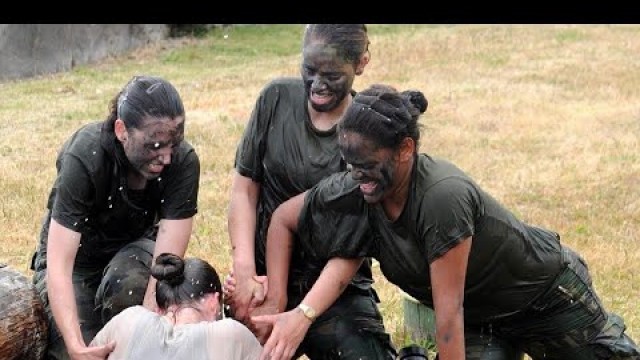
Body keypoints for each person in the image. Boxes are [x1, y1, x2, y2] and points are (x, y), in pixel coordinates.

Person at [252, 84, 640, 360]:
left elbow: (447, 313)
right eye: (350, 165)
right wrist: (281, 303)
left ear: (405, 149)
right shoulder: (359, 186)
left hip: (544, 299)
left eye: (367, 165)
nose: (356, 176)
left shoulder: (442, 196)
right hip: (480, 320)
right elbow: (284, 219)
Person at [226, 24, 396, 359]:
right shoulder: (275, 99)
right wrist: (245, 270)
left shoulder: (367, 132)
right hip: (264, 277)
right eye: (309, 70)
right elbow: (244, 191)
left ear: (361, 63)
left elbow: (352, 248)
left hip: (333, 290)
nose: (317, 85)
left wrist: (303, 314)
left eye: (332, 74)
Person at [30, 75, 201, 360]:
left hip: (135, 251)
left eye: (174, 143)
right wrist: (75, 345)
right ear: (122, 130)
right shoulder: (86, 155)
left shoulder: (183, 161)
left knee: (137, 319)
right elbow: (59, 265)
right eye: (155, 146)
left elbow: (165, 266)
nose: (167, 157)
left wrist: (144, 333)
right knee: (79, 349)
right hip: (77, 262)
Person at [90, 253, 263, 359]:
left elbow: (87, 355)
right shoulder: (230, 334)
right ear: (213, 302)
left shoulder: (129, 320)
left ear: (158, 308)